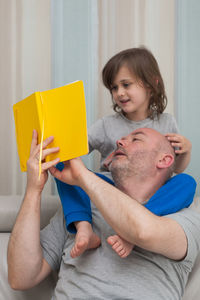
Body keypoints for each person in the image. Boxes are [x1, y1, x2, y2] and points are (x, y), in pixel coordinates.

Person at [8, 128, 200, 300]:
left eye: (136, 139)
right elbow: (20, 277)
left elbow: (142, 232)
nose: (120, 141)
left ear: (164, 160)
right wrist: (34, 189)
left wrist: (82, 176)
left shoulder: (183, 218)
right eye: (123, 138)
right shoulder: (80, 211)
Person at [55, 47, 192, 258]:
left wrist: (185, 150)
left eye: (126, 85)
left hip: (150, 193)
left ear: (151, 84)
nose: (119, 93)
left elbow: (175, 167)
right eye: (114, 88)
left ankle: (136, 226)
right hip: (110, 187)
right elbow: (75, 149)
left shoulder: (166, 122)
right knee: (62, 166)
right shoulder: (106, 125)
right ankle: (83, 226)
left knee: (187, 182)